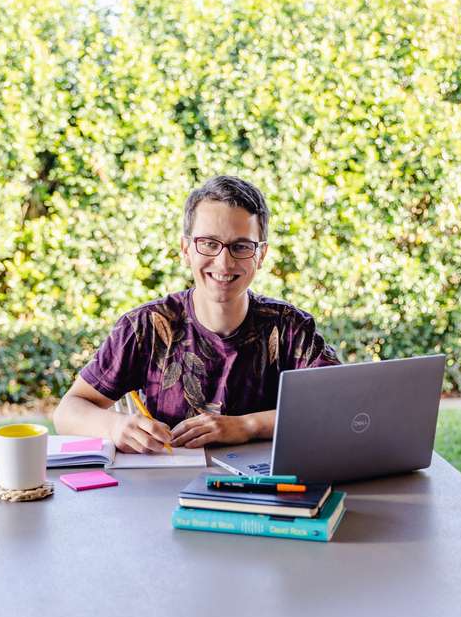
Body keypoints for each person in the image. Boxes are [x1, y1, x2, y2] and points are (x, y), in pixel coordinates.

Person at [53, 175, 339, 453]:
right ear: (186, 249)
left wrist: (246, 425)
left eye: (241, 246)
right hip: (164, 491)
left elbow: (338, 405)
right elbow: (68, 411)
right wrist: (114, 426)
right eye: (209, 244)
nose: (224, 262)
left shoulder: (291, 328)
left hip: (266, 492)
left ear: (260, 255)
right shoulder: (146, 326)